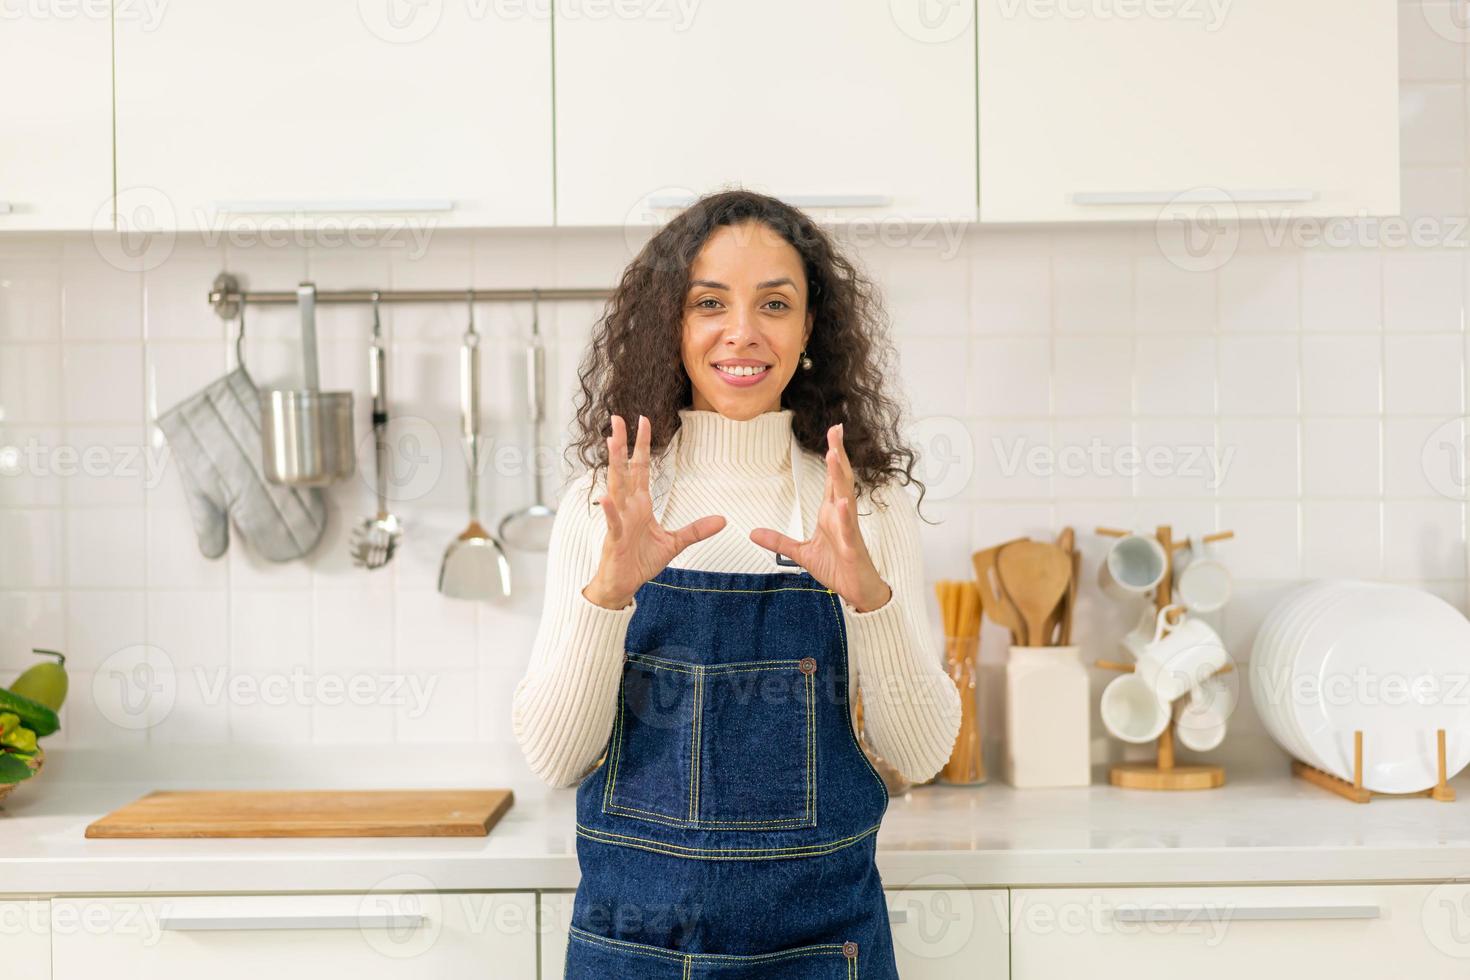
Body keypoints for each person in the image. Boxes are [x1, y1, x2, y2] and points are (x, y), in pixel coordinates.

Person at [513, 189, 961, 978]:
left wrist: (871, 600)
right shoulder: (608, 503)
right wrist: (608, 595)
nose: (743, 332)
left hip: (822, 950)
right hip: (635, 950)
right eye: (709, 302)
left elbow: (919, 754)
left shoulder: (859, 504)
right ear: (671, 325)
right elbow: (554, 756)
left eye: (775, 303)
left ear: (810, 326)